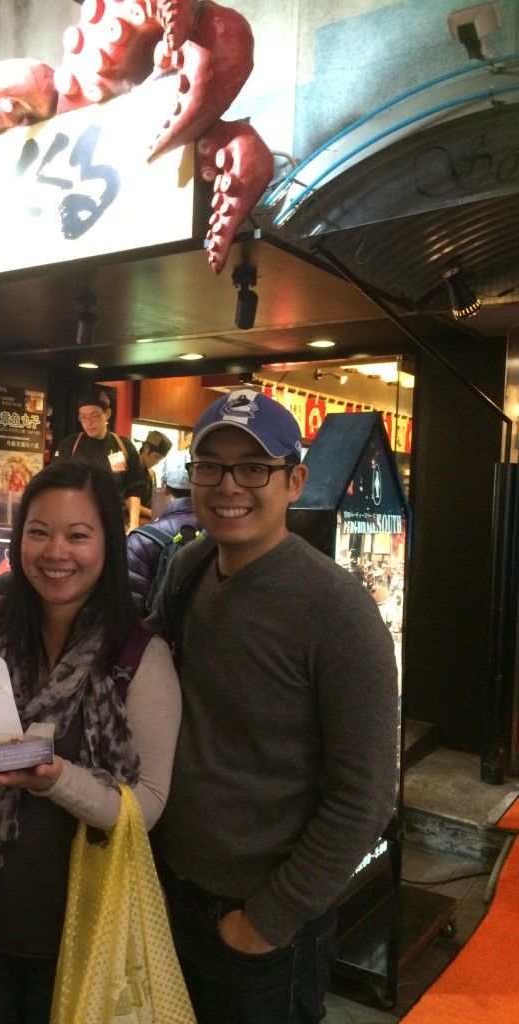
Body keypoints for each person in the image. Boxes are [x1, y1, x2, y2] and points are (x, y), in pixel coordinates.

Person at [148, 389, 399, 1024]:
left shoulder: (338, 610)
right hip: (173, 891)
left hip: (264, 926)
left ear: (295, 481)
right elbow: (135, 677)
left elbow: (366, 795)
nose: (229, 485)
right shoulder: (191, 568)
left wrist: (266, 921)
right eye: (211, 466)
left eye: (254, 467)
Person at [0, 459, 181, 1024]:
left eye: (78, 535)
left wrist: (56, 779)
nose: (56, 552)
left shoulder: (138, 658)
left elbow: (147, 804)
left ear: (107, 541)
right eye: (39, 531)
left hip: (87, 935)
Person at [56, 387, 144, 532]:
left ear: (107, 414)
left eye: (94, 416)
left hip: (112, 523)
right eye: (83, 417)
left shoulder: (123, 446)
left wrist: (134, 526)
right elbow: (56, 486)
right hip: (74, 522)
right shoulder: (69, 446)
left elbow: (133, 490)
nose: (88, 422)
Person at [127, 448, 200, 616]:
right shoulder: (221, 535)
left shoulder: (141, 540)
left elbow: (131, 611)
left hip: (156, 639)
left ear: (164, 487)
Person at [136, 428, 172, 523]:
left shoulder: (150, 475)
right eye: (156, 457)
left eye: (160, 459)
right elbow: (124, 501)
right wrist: (152, 513)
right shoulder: (128, 468)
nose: (157, 462)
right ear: (146, 448)